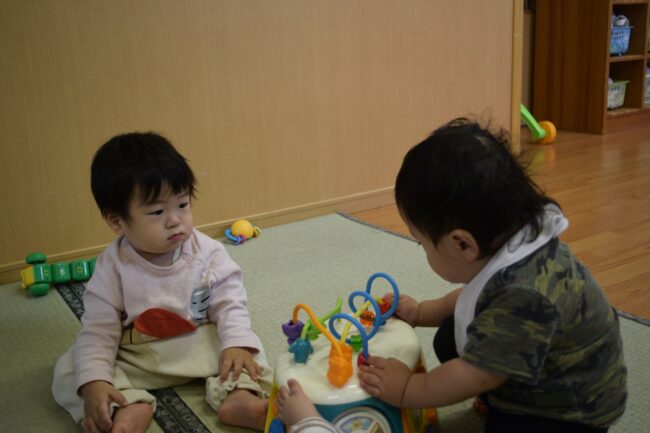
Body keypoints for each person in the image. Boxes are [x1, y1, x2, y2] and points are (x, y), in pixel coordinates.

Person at [357, 118, 627, 433]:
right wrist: (419, 312)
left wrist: (408, 388)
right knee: (449, 335)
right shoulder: (510, 241)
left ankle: (505, 402)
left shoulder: (525, 293)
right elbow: (473, 299)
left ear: (462, 244)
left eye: (422, 243)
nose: (422, 250)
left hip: (571, 409)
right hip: (534, 362)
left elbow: (476, 374)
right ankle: (499, 393)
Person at [52, 132, 272, 433]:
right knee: (71, 370)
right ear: (117, 221)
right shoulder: (112, 268)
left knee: (246, 345)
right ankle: (126, 407)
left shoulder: (208, 252)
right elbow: (100, 331)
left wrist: (236, 345)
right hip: (139, 356)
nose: (175, 220)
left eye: (182, 204)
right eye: (157, 212)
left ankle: (240, 397)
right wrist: (95, 381)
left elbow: (230, 304)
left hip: (199, 344)